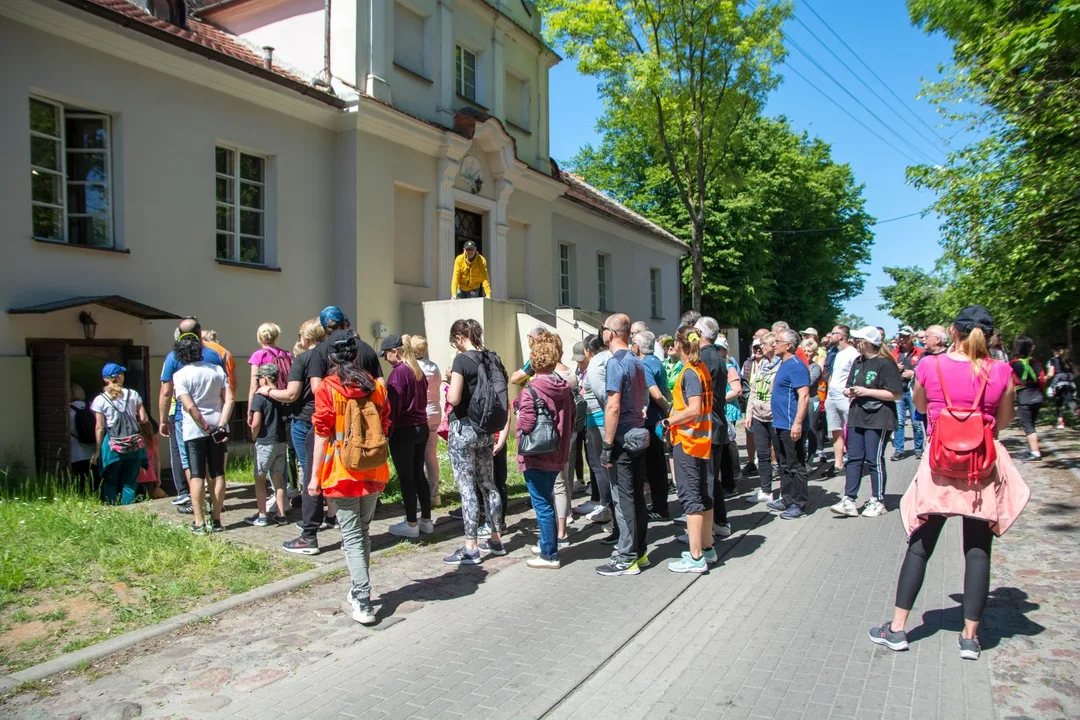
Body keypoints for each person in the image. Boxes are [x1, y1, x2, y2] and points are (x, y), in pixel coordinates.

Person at [869, 305, 1025, 661]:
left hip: (939, 464)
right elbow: (1003, 422)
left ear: (953, 331)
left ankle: (897, 628)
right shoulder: (1001, 371)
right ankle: (970, 638)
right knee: (978, 549)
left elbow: (921, 409)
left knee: (920, 544)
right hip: (979, 468)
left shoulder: (929, 365)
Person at [308, 331, 391, 626]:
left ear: (330, 357)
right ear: (356, 356)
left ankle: (363, 598)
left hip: (341, 472)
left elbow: (321, 434)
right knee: (363, 533)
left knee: (353, 537)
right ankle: (359, 592)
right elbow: (386, 422)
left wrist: (314, 477)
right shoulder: (375, 387)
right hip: (373, 469)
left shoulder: (327, 389)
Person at [443, 319, 507, 564]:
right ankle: (496, 539)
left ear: (460, 338)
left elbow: (455, 398)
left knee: (467, 488)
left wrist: (450, 383)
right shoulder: (492, 358)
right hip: (486, 430)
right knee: (488, 484)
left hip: (464, 430)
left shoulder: (461, 360)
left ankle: (471, 547)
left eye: (454, 342)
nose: (455, 347)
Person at [261, 318, 326, 548]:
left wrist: (268, 390)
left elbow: (290, 394)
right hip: (330, 418)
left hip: (306, 421)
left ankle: (309, 533)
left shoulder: (304, 358)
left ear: (305, 338)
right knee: (327, 469)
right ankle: (333, 516)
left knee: (310, 473)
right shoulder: (332, 356)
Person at [515, 332, 575, 569]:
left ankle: (549, 554)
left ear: (534, 362)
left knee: (542, 503)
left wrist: (519, 412)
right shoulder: (564, 386)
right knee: (549, 498)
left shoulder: (531, 390)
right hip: (558, 451)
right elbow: (572, 417)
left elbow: (527, 425)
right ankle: (546, 542)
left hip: (536, 455)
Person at [830, 327, 903, 518]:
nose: (854, 342)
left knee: (874, 458)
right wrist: (850, 391)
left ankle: (877, 499)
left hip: (879, 417)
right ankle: (849, 499)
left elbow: (895, 394)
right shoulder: (858, 361)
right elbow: (849, 386)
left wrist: (868, 392)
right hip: (857, 414)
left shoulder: (886, 364)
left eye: (858, 339)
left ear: (869, 342)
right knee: (854, 458)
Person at [597, 313, 649, 577]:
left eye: (604, 329)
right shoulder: (636, 361)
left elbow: (613, 405)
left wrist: (607, 444)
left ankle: (627, 557)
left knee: (623, 499)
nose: (602, 333)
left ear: (612, 333)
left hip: (624, 438)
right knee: (636, 495)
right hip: (639, 434)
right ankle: (639, 551)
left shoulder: (616, 363)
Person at [663, 325, 717, 573]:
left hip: (688, 441)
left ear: (679, 344)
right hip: (702, 439)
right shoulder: (701, 369)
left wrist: (668, 421)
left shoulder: (690, 372)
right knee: (703, 495)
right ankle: (707, 548)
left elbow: (694, 408)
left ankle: (695, 557)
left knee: (690, 497)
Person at [158, 316, 224, 512]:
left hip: (184, 417)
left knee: (191, 464)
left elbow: (165, 391)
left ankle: (197, 508)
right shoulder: (214, 355)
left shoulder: (173, 357)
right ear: (199, 332)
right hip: (215, 418)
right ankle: (216, 508)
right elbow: (226, 391)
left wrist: (162, 420)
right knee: (215, 468)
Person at [173, 333, 234, 534]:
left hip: (194, 430)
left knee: (197, 474)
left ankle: (199, 523)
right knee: (218, 472)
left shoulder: (180, 375)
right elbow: (230, 399)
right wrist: (222, 424)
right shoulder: (217, 370)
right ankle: (216, 520)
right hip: (218, 425)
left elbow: (189, 407)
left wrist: (204, 426)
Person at [381, 334, 435, 538]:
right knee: (419, 475)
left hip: (404, 429)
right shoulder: (417, 369)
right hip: (421, 426)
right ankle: (426, 521)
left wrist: (386, 432)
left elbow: (392, 407)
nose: (386, 360)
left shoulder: (398, 373)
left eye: (386, 354)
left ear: (395, 351)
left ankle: (411, 523)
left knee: (406, 478)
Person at [764, 330, 811, 520]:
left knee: (795, 464)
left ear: (789, 345)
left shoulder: (796, 366)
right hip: (779, 423)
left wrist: (798, 423)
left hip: (791, 424)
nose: (774, 344)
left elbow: (804, 396)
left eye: (778, 341)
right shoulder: (783, 364)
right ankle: (787, 497)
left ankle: (798, 503)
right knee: (783, 463)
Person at [693, 317, 733, 537]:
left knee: (706, 481)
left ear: (699, 333)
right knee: (711, 479)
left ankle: (704, 534)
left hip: (708, 426)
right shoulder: (715, 357)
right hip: (714, 424)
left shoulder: (705, 358)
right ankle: (719, 521)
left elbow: (698, 395)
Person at [90, 363, 149, 505]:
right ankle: (128, 511)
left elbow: (100, 427)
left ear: (105, 379)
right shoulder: (133, 394)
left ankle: (112, 509)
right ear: (120, 377)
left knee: (110, 482)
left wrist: (97, 451)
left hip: (112, 446)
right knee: (129, 482)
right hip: (134, 445)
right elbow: (143, 419)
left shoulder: (100, 400)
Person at [246, 364, 289, 526]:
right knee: (278, 479)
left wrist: (253, 435)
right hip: (280, 441)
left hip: (265, 442)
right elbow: (285, 421)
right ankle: (281, 514)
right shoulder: (280, 396)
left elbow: (256, 422)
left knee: (259, 479)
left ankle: (262, 515)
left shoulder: (260, 397)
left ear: (263, 378)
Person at [635, 330, 672, 521]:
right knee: (657, 463)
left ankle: (660, 507)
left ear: (639, 347)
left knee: (654, 465)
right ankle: (660, 504)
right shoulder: (657, 361)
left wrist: (669, 411)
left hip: (651, 421)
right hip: (657, 420)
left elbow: (656, 393)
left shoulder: (644, 366)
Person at [579, 334, 614, 526]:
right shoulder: (609, 359)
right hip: (601, 419)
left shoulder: (596, 363)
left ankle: (605, 506)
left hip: (598, 419)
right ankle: (608, 506)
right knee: (604, 465)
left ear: (587, 351)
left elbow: (603, 394)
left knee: (600, 465)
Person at [744, 333, 781, 503]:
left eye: (765, 343)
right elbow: (753, 390)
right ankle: (765, 490)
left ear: (774, 344)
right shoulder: (761, 365)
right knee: (763, 454)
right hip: (759, 416)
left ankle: (785, 491)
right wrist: (749, 413)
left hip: (774, 416)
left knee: (780, 454)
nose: (761, 347)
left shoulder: (781, 365)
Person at [410, 335, 443, 506]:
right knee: (431, 455)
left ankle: (419, 496)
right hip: (434, 413)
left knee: (417, 457)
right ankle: (434, 495)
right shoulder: (433, 367)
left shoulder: (412, 368)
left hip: (420, 415)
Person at [890, 326, 925, 461]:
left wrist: (913, 373)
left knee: (916, 421)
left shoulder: (920, 352)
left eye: (905, 336)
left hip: (913, 391)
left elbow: (924, 370)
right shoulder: (894, 353)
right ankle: (899, 450)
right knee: (899, 422)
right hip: (898, 391)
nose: (902, 339)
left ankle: (918, 448)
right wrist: (895, 368)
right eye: (900, 336)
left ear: (912, 338)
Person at [1010, 336, 1044, 462]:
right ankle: (1030, 449)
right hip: (1037, 395)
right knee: (1032, 424)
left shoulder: (1013, 364)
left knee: (1028, 426)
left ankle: (1035, 453)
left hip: (1025, 397)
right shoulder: (1035, 362)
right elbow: (1042, 378)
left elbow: (1011, 381)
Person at [247, 322, 291, 417]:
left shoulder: (258, 355)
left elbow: (253, 386)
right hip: (284, 398)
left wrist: (250, 409)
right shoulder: (286, 354)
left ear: (259, 337)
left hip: (266, 400)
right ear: (277, 336)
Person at [69, 383, 98, 488]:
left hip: (76, 453)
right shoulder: (92, 406)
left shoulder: (68, 410)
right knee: (93, 481)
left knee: (79, 482)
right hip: (92, 451)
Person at [1047, 343, 1077, 429]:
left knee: (1058, 404)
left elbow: (1050, 374)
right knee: (1071, 401)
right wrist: (1069, 377)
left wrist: (1044, 378)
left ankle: (1060, 423)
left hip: (1058, 385)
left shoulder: (1052, 360)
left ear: (1055, 352)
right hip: (1070, 384)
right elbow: (1076, 373)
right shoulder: (1069, 360)